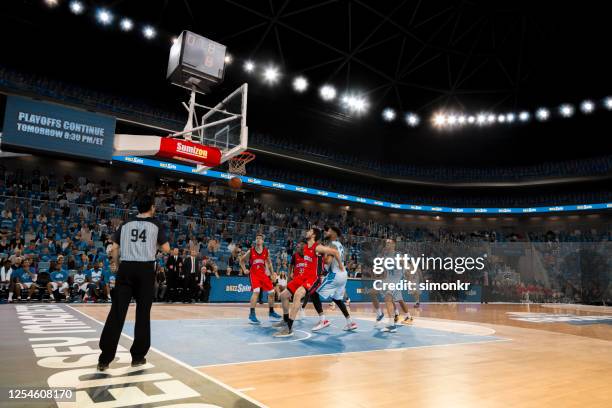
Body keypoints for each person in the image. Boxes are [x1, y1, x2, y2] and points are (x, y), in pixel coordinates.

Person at [97, 195, 170, 372]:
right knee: (143, 314)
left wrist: (115, 264)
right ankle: (137, 357)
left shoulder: (125, 224)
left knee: (117, 312)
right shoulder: (156, 224)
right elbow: (166, 249)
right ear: (151, 207)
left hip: (126, 268)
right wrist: (155, 246)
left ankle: (104, 359)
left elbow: (114, 248)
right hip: (145, 270)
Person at [239, 233, 281, 324]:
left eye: (260, 238)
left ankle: (271, 312)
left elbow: (269, 263)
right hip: (254, 274)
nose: (258, 240)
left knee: (272, 292)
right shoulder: (251, 251)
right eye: (257, 238)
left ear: (262, 241)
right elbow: (241, 261)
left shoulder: (266, 251)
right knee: (256, 291)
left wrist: (272, 273)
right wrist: (245, 269)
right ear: (255, 240)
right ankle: (252, 314)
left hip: (263, 274)